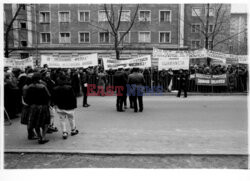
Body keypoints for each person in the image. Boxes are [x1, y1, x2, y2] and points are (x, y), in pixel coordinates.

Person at [25, 72, 51, 144]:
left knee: (36, 123)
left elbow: (26, 98)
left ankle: (39, 137)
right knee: (45, 122)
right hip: (43, 106)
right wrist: (48, 104)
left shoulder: (29, 87)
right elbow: (48, 96)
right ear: (39, 79)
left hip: (33, 107)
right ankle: (43, 137)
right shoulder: (42, 86)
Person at [52, 74, 78, 140]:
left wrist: (55, 105)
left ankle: (64, 132)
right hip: (69, 106)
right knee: (71, 119)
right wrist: (74, 106)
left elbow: (54, 98)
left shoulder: (55, 88)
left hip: (60, 107)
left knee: (62, 120)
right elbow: (73, 97)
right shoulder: (69, 87)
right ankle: (73, 130)